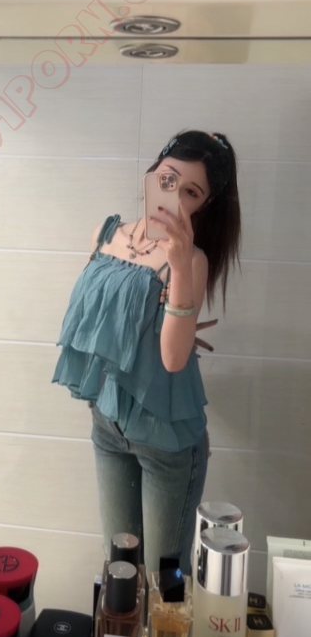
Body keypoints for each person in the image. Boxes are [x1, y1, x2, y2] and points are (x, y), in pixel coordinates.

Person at [52, 130, 242, 577]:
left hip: (167, 441)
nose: (174, 196)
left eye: (191, 192)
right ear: (152, 172)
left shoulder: (191, 260)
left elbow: (173, 360)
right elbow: (96, 322)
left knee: (163, 586)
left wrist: (177, 266)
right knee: (120, 573)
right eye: (168, 179)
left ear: (204, 205)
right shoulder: (106, 234)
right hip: (108, 425)